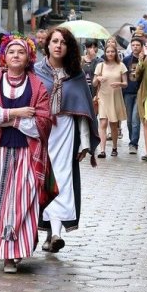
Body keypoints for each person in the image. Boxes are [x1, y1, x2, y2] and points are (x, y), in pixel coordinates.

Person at [0, 35, 51, 273]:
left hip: (27, 154)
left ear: (28, 57)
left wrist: (6, 119)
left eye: (20, 52)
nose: (16, 55)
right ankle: (6, 249)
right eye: (11, 52)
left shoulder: (37, 86)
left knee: (23, 200)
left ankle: (14, 252)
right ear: (4, 58)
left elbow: (42, 123)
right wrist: (17, 114)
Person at [34, 27, 99, 254]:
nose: (58, 45)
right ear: (48, 45)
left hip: (65, 131)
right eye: (54, 41)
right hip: (41, 130)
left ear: (69, 47)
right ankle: (39, 229)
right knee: (38, 178)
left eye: (63, 42)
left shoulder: (76, 74)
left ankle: (56, 233)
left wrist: (85, 144)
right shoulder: (36, 71)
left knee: (61, 178)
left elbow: (82, 110)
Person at [93, 41, 128, 157]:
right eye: (108, 51)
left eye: (112, 51)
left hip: (115, 97)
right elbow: (93, 83)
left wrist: (120, 83)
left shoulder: (121, 66)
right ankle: (102, 150)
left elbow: (126, 83)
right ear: (105, 53)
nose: (110, 53)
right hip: (103, 97)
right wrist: (98, 78)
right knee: (102, 123)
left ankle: (114, 147)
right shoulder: (100, 66)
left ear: (116, 53)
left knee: (113, 124)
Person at [122, 37, 144, 154]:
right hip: (128, 93)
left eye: (138, 45)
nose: (135, 47)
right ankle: (132, 139)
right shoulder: (126, 60)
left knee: (136, 119)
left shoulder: (145, 59)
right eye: (133, 45)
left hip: (139, 93)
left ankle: (134, 143)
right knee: (129, 120)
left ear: (141, 47)